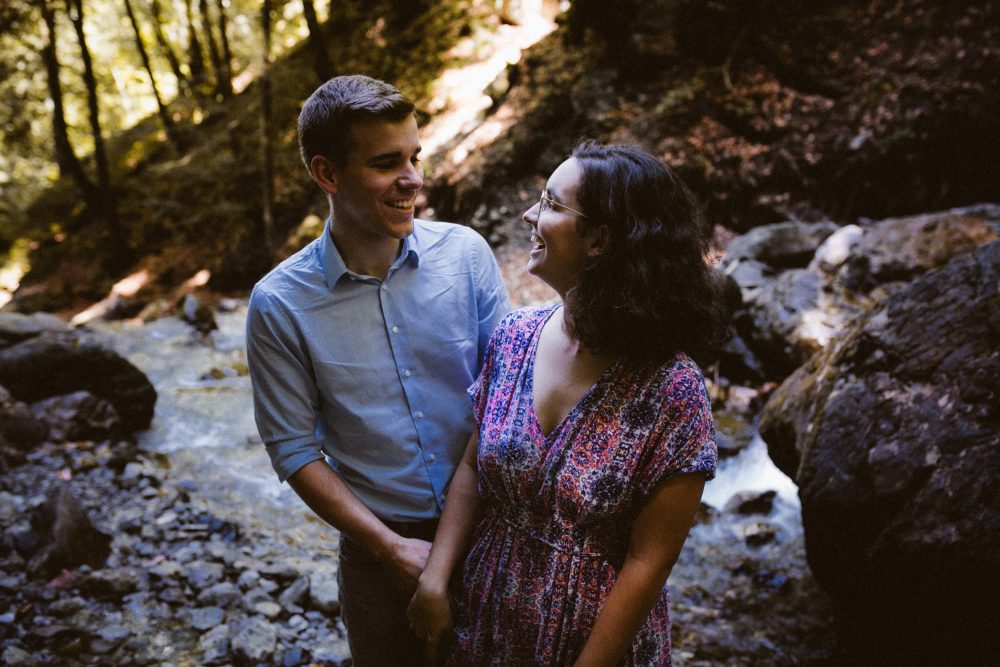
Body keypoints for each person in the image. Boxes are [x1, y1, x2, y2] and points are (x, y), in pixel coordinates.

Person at [407, 141, 726, 665]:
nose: (530, 214)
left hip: (593, 646)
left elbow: (648, 563)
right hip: (484, 621)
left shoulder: (675, 390)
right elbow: (471, 466)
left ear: (600, 239)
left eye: (552, 205)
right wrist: (437, 579)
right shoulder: (514, 337)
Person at [245, 74, 510, 666]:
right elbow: (293, 449)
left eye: (415, 156)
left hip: (497, 528)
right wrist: (391, 549)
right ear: (328, 174)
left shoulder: (466, 255)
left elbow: (511, 395)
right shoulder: (280, 302)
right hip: (377, 551)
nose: (413, 178)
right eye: (388, 162)